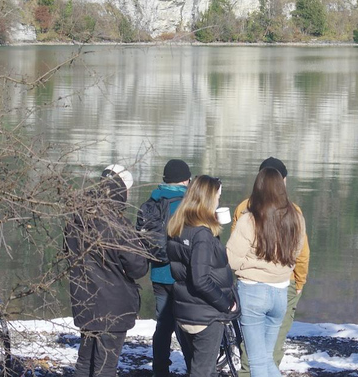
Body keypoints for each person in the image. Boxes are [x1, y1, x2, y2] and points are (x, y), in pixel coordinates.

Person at [229, 157, 310, 377]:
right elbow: (298, 255)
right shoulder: (296, 216)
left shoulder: (247, 216)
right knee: (266, 358)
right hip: (281, 290)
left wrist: (249, 267)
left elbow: (232, 258)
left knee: (256, 362)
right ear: (283, 183)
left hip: (253, 291)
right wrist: (299, 280)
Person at [65, 164, 148, 377]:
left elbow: (69, 254)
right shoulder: (117, 224)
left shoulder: (76, 220)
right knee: (106, 367)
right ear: (120, 191)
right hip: (113, 305)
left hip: (84, 300)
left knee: (84, 362)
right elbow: (138, 267)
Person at [166, 175, 239, 377]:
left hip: (185, 310)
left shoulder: (178, 226)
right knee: (203, 372)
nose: (219, 201)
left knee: (196, 368)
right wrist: (226, 304)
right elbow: (201, 280)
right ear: (208, 198)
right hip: (205, 315)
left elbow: (183, 269)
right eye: (218, 196)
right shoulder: (202, 235)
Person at [146, 159, 193, 377]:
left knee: (163, 326)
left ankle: (160, 371)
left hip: (158, 272)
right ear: (186, 180)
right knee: (186, 325)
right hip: (182, 275)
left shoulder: (151, 202)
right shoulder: (189, 204)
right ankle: (194, 368)